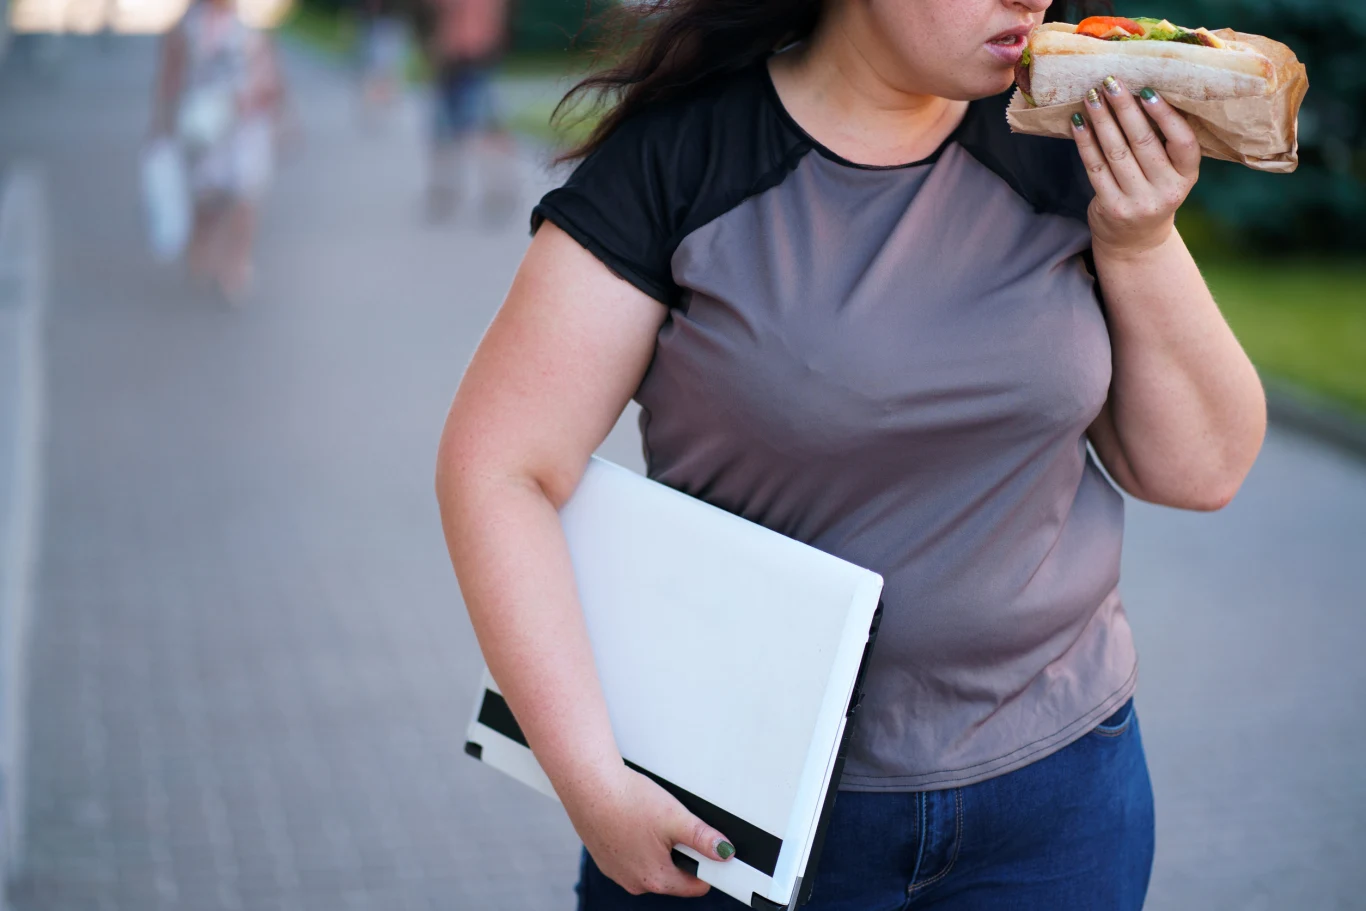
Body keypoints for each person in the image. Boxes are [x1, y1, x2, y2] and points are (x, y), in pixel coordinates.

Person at [434, 0, 1269, 907]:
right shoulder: (681, 160)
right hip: (738, 817)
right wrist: (590, 779)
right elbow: (499, 467)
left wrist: (1140, 240)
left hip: (1056, 802)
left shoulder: (1065, 139)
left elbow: (1199, 469)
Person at [151, 0, 285, 303]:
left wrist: (267, 102)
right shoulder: (187, 26)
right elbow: (169, 79)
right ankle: (202, 246)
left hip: (245, 127)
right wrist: (161, 127)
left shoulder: (249, 26)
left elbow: (270, 75)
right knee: (209, 200)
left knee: (245, 198)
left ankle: (236, 267)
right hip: (205, 128)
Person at [420, 0, 517, 222]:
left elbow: (480, 20)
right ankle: (446, 189)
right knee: (448, 129)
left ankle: (497, 188)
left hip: (469, 59)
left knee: (476, 128)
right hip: (456, 60)